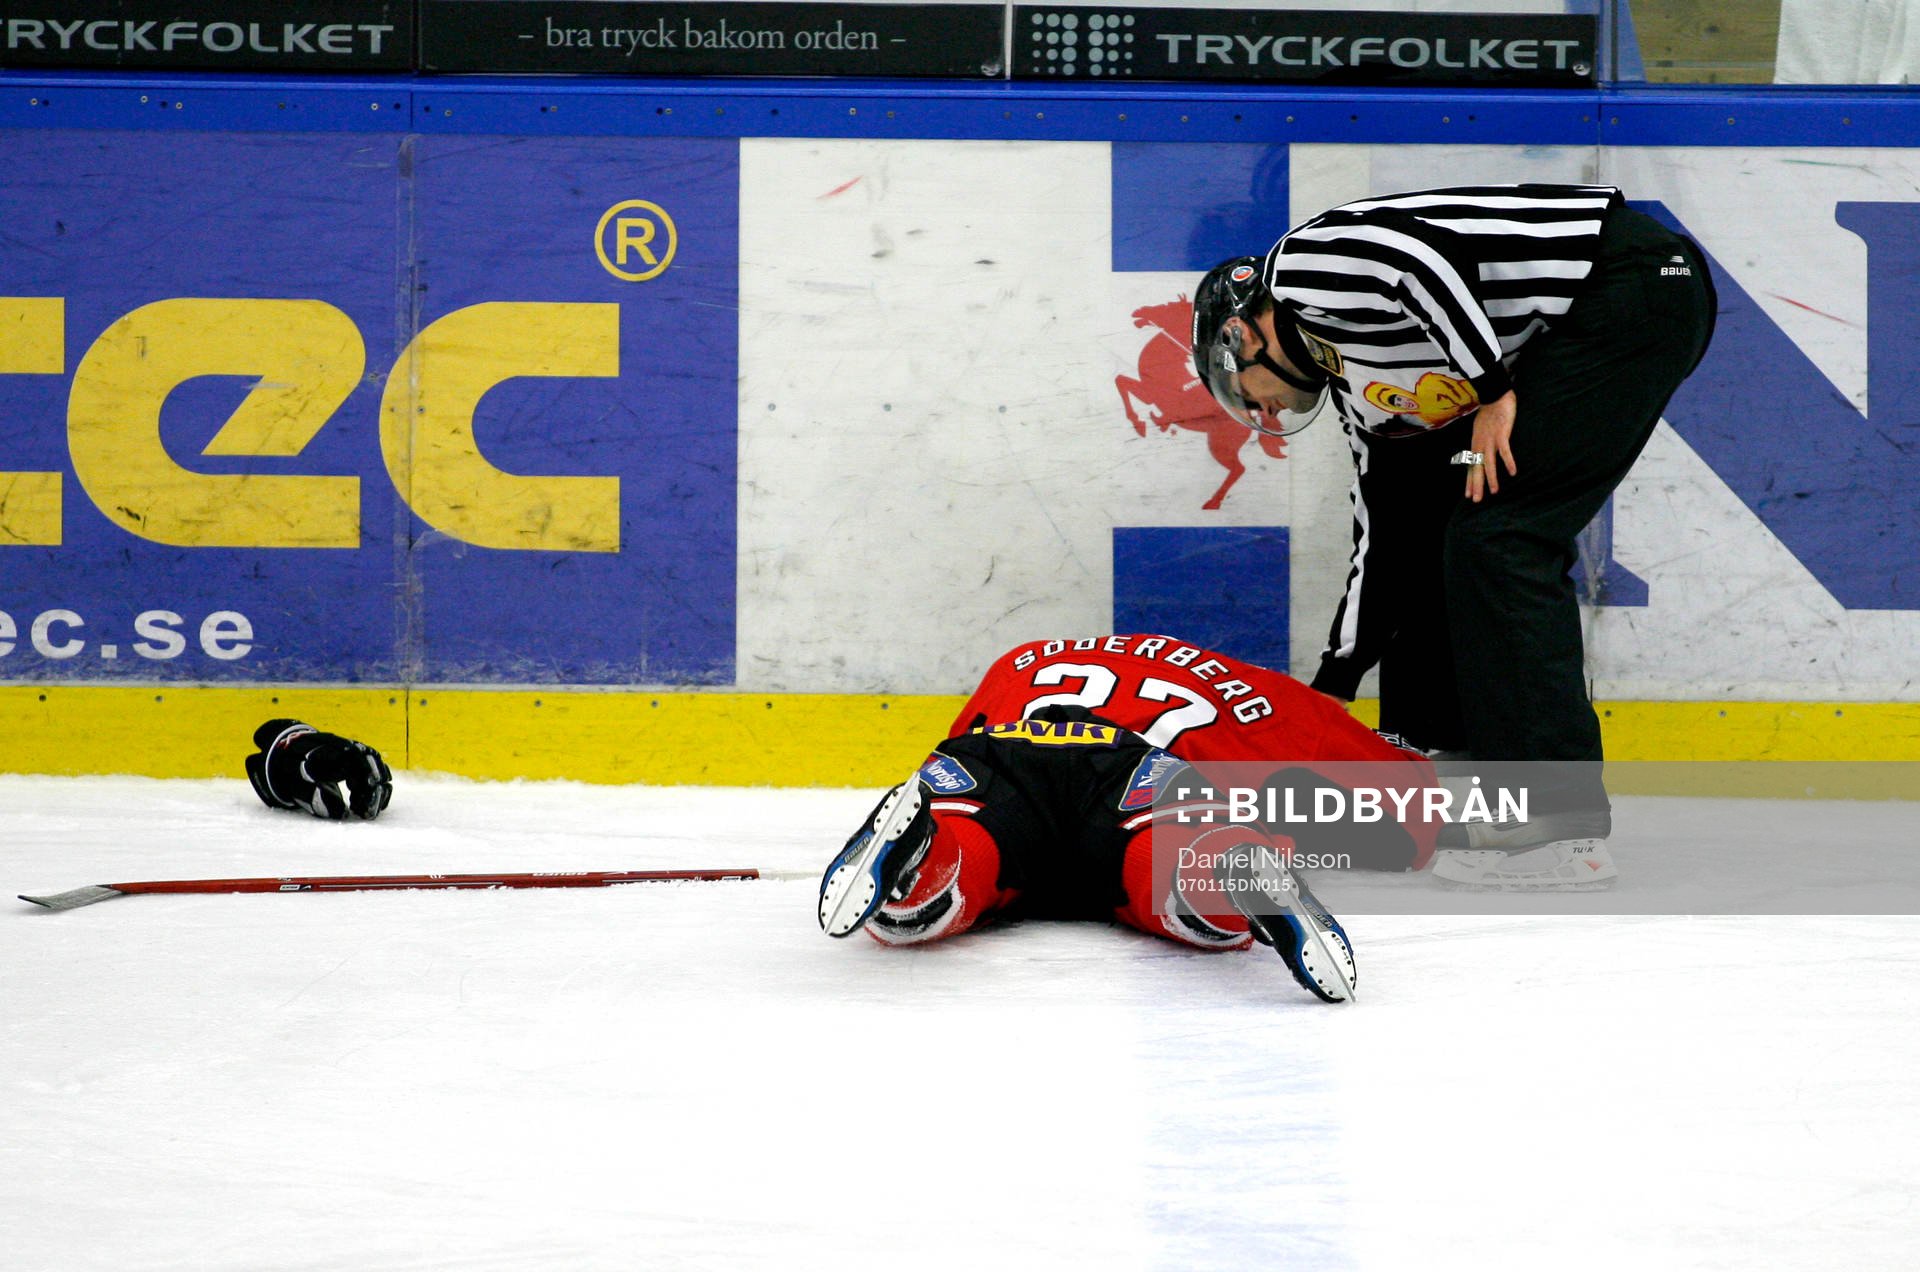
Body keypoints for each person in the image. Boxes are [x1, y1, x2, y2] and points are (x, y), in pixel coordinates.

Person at [1191, 184, 1717, 889]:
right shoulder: (1362, 396)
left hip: (1631, 288)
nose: (1258, 406)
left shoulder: (1298, 268)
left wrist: (1493, 392)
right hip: (1597, 320)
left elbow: (1419, 261)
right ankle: (1449, 762)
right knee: (1446, 530)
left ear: (1241, 333)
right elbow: (1384, 536)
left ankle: (1558, 832)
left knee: (1502, 541)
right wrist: (1332, 687)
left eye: (1241, 386)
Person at [816, 634, 1441, 1003]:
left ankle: (924, 857)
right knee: (1170, 867)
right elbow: (1408, 807)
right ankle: (1226, 870)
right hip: (1132, 772)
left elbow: (961, 742)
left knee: (952, 874)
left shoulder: (1026, 655)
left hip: (1000, 754)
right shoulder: (1253, 691)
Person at [245, 720, 393, 821]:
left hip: (277, 768)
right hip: (273, 777)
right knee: (344, 757)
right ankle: (288, 760)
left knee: (352, 757)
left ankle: (289, 756)